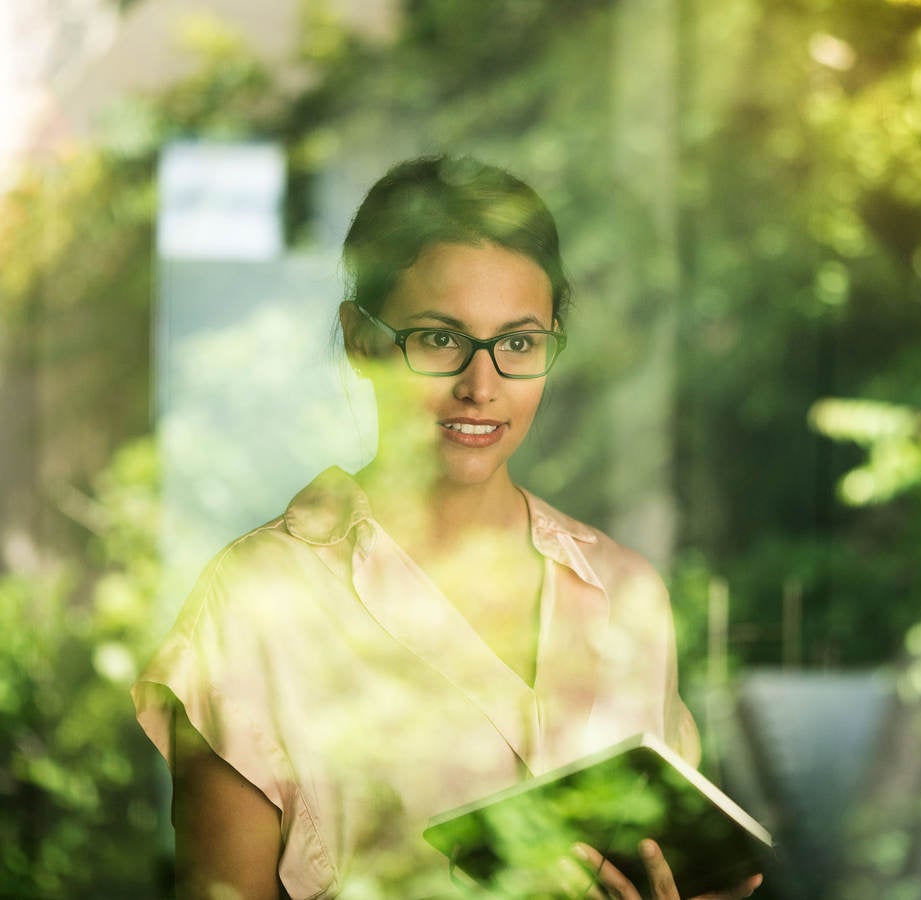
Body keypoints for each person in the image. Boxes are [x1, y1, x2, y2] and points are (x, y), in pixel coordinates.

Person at [132, 155, 763, 899]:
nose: (481, 385)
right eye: (438, 339)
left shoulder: (625, 592)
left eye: (519, 343)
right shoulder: (254, 602)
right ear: (362, 340)